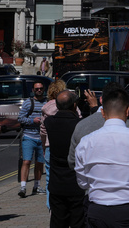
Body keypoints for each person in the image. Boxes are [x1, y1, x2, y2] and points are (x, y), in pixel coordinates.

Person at [73, 87, 129, 228]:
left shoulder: (87, 142)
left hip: (97, 211)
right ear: (127, 110)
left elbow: (82, 183)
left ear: (103, 113)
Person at [45, 90, 86, 228]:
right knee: (78, 221)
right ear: (74, 106)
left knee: (57, 221)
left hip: (57, 182)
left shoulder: (50, 122)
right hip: (75, 182)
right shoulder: (80, 125)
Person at [18, 80, 48, 197]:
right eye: (36, 89)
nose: (39, 90)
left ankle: (37, 186)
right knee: (26, 161)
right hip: (29, 136)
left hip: (42, 137)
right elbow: (20, 118)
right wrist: (32, 121)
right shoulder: (28, 103)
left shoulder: (47, 103)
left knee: (40, 163)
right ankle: (23, 187)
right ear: (33, 90)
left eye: (41, 88)